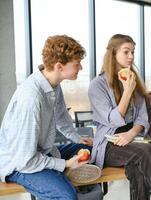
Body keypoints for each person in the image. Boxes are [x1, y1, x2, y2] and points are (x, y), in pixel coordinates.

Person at [0, 35, 97, 200]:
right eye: (77, 63)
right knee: (66, 196)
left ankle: (61, 174)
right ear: (59, 66)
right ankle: (62, 174)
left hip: (42, 153)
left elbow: (61, 118)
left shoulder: (53, 85)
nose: (80, 67)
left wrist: (78, 139)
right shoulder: (31, 97)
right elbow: (26, 160)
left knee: (91, 149)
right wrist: (64, 164)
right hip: (19, 165)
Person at [88, 34, 151, 200]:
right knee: (143, 152)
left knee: (138, 168)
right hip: (109, 142)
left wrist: (132, 133)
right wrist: (127, 92)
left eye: (133, 52)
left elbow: (142, 118)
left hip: (133, 138)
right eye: (126, 52)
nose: (131, 56)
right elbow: (113, 119)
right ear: (113, 54)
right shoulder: (97, 85)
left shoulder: (133, 80)